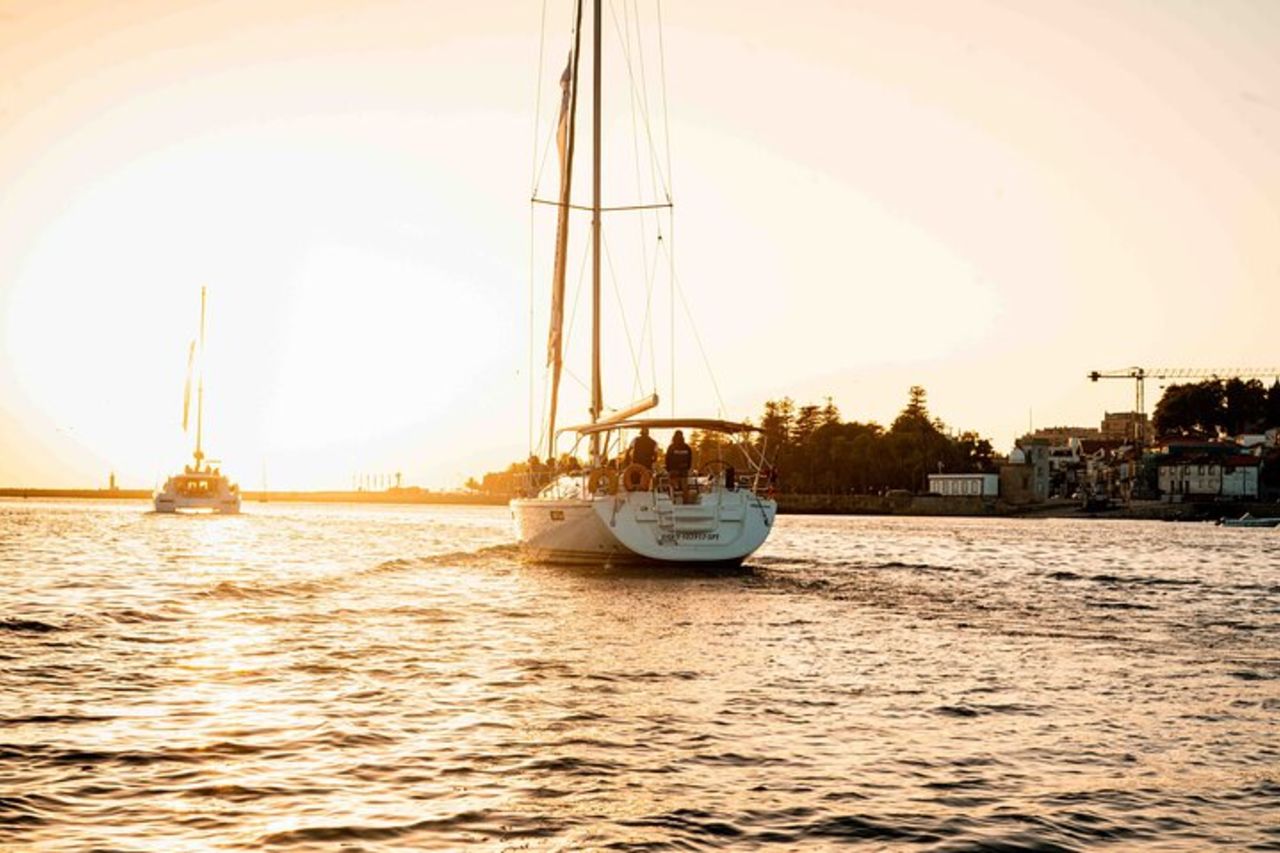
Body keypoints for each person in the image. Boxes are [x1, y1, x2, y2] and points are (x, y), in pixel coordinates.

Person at [664, 429, 693, 497]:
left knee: (672, 485)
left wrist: (668, 469)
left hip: (673, 470)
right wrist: (687, 467)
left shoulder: (671, 447)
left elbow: (667, 459)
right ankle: (686, 501)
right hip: (684, 469)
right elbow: (690, 459)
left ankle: (673, 499)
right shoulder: (687, 447)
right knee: (685, 486)